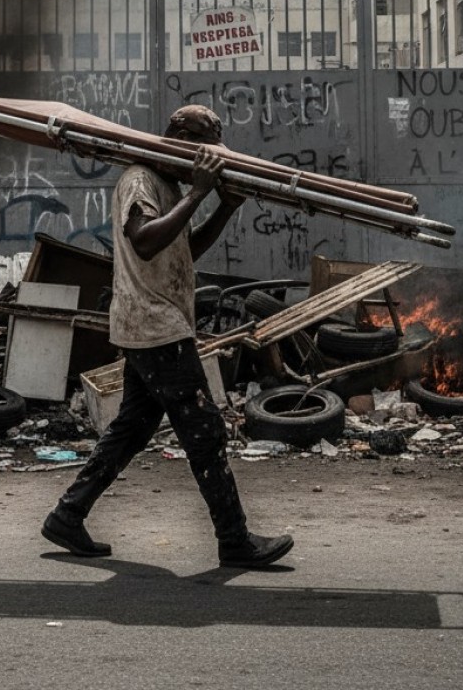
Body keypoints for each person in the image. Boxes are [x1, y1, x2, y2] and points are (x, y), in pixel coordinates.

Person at [41, 104, 294, 569]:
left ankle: (67, 515)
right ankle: (234, 540)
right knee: (205, 431)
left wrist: (225, 206)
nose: (203, 160)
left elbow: (184, 247)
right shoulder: (140, 179)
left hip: (155, 323)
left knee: (132, 429)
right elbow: (144, 240)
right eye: (200, 148)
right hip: (155, 325)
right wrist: (198, 193)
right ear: (178, 137)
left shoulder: (170, 186)